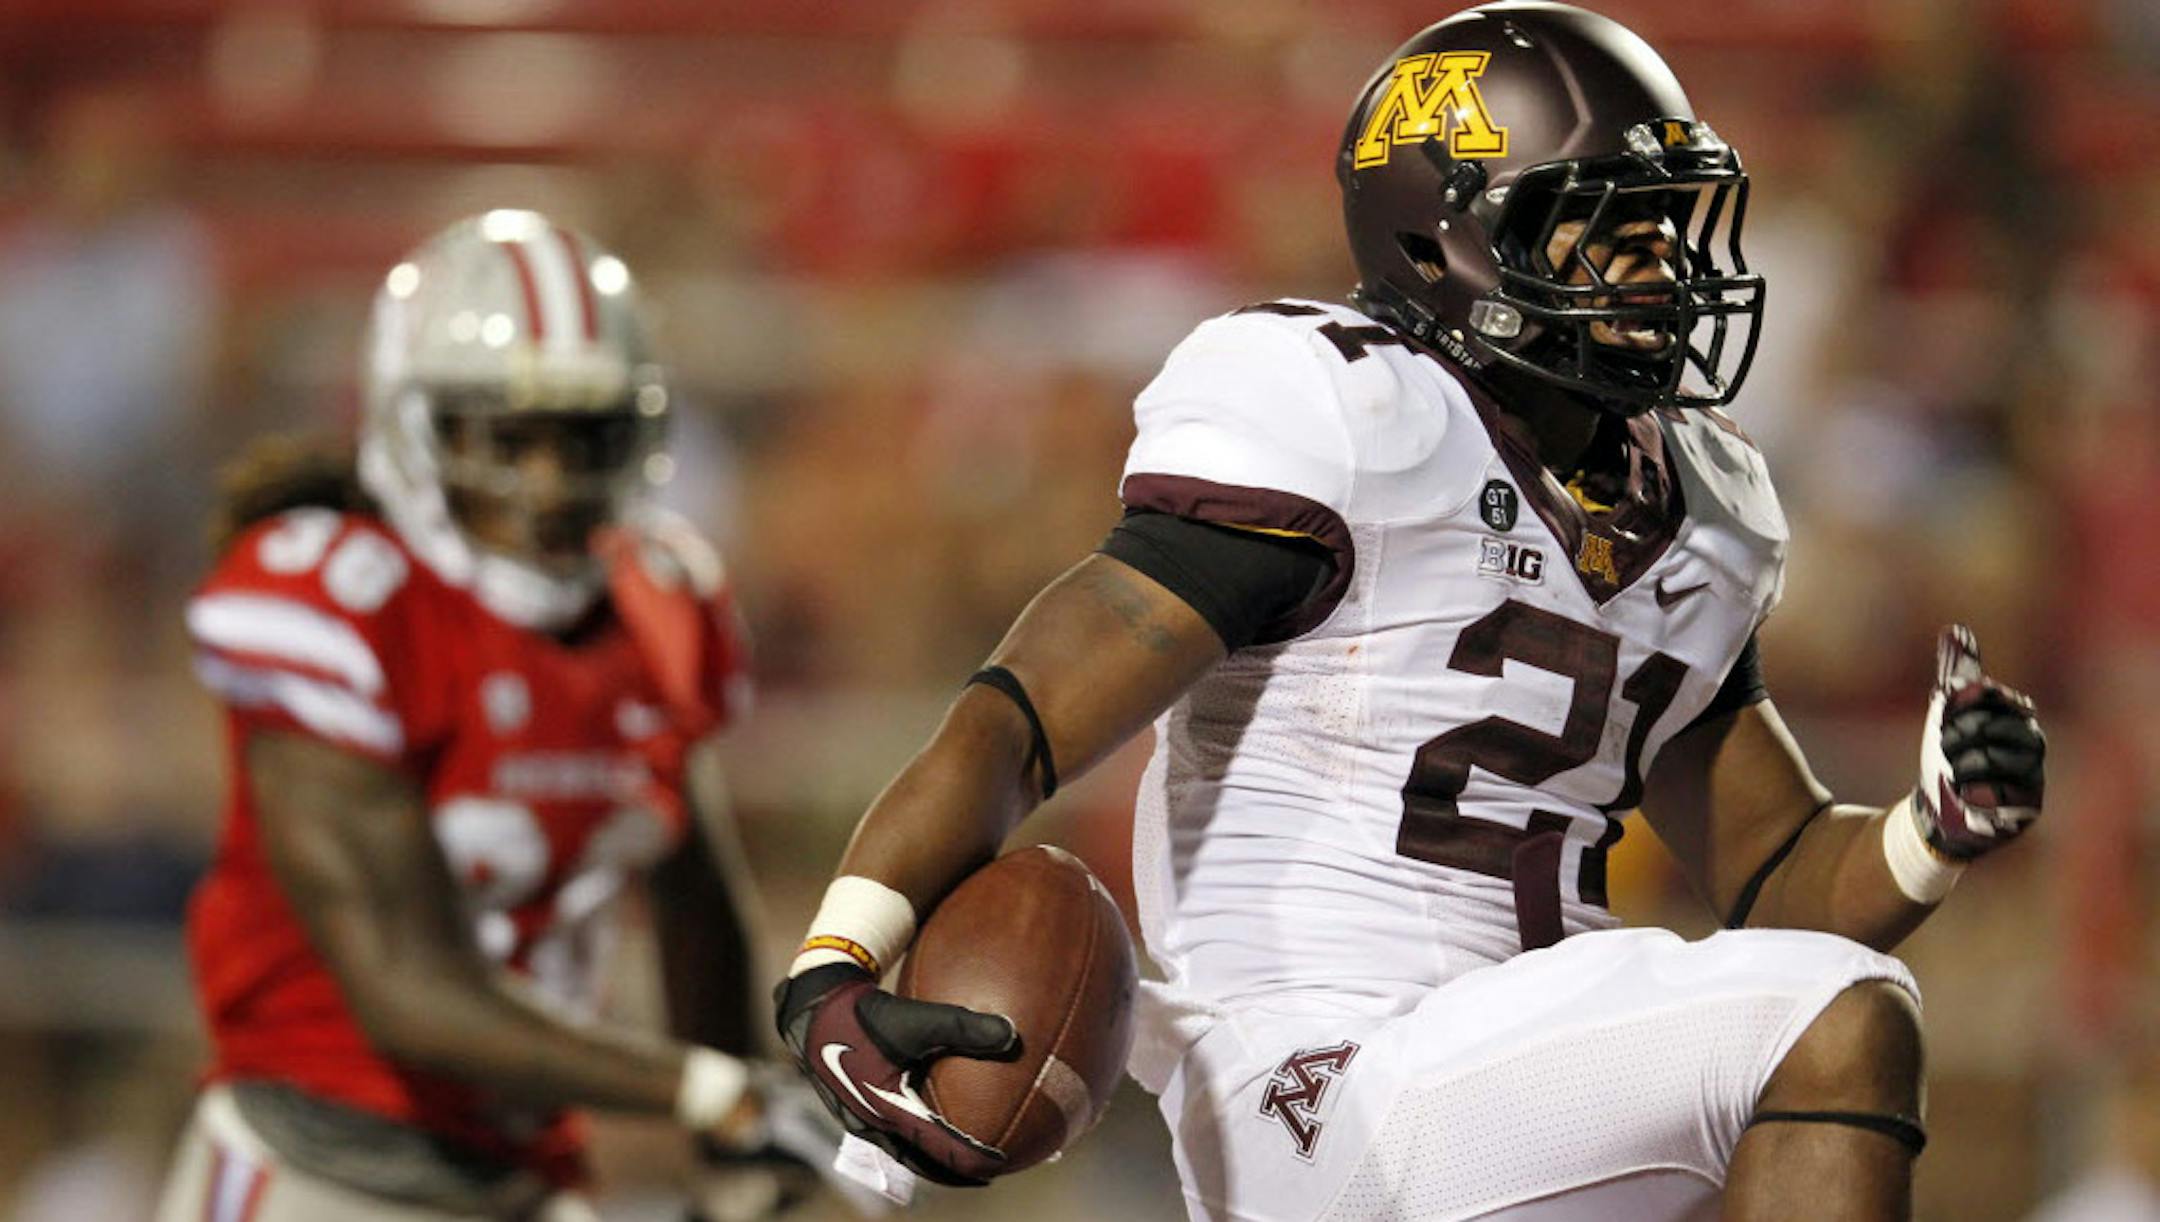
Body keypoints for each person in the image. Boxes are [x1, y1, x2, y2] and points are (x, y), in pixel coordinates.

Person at [770, 4, 2050, 1220]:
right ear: (1449, 237)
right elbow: (1022, 719)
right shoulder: (1347, 417)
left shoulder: (1696, 506)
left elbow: (1779, 876)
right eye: (1606, 225)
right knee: (1845, 1015)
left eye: (1669, 227)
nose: (1660, 268)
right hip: (1327, 1082)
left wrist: (1931, 833)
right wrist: (838, 958)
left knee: (1812, 1028)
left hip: (1521, 1095)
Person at [158, 211, 856, 1222]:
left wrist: (738, 1144)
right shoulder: (339, 599)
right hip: (319, 1169)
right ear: (414, 431)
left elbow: (698, 900)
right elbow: (408, 993)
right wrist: (711, 1093)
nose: (549, 483)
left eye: (583, 439)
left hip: (524, 1174)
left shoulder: (656, 603)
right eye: (508, 439)